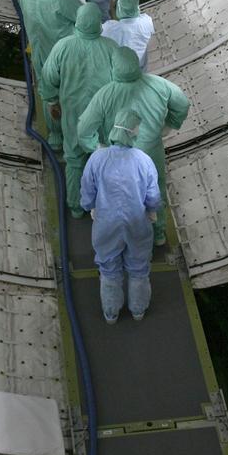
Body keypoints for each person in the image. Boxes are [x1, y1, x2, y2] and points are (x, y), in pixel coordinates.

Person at [78, 45, 189, 247]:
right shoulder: (159, 85)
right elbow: (182, 103)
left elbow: (84, 128)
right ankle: (158, 234)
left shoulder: (105, 95)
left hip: (116, 157)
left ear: (114, 67)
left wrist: (97, 147)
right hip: (151, 153)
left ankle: (118, 237)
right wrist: (169, 125)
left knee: (115, 194)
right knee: (154, 191)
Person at [80, 111, 161, 324]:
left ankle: (111, 313)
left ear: (114, 129)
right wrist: (152, 210)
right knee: (138, 269)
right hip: (137, 223)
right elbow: (153, 196)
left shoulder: (97, 158)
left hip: (106, 223)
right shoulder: (144, 160)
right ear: (135, 132)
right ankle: (138, 311)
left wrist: (90, 207)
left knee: (108, 268)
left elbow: (87, 190)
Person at [39, 2, 119, 215]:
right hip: (103, 115)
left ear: (78, 21)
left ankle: (76, 206)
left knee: (74, 160)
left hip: (73, 113)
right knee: (103, 156)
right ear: (98, 24)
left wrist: (52, 101)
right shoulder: (111, 47)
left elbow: (48, 77)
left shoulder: (63, 46)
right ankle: (104, 204)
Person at [20, 0, 80, 148]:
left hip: (39, 53)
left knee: (50, 95)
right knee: (70, 92)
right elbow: (83, 19)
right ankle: (76, 134)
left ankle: (55, 138)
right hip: (64, 57)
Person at [102, 0, 154, 71]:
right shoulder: (147, 21)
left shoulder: (109, 28)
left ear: (119, 5)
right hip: (144, 72)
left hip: (120, 75)